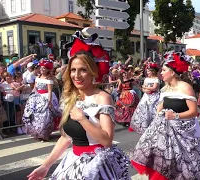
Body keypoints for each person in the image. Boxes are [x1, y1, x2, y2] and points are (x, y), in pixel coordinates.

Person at [27, 28, 129, 180]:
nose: (76, 75)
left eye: (83, 70)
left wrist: (82, 119)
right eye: (73, 70)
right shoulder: (71, 97)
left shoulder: (103, 98)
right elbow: (66, 137)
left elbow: (107, 140)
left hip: (97, 167)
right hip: (73, 163)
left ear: (93, 72)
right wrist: (46, 165)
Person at [131, 51, 200, 180]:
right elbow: (161, 105)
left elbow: (193, 111)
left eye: (164, 70)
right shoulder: (165, 89)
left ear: (173, 72)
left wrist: (175, 116)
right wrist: (158, 115)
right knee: (163, 158)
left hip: (183, 131)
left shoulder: (185, 87)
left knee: (184, 161)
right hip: (165, 130)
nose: (161, 73)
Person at [22, 59, 61, 141]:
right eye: (41, 68)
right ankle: (38, 133)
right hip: (37, 97)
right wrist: (31, 97)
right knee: (36, 116)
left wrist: (49, 102)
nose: (42, 70)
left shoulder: (49, 79)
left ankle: (45, 134)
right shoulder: (38, 77)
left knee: (45, 117)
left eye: (44, 68)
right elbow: (35, 88)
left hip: (46, 97)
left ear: (47, 70)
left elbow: (50, 91)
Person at [129, 62, 160, 134]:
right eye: (147, 71)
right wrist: (146, 89)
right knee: (144, 110)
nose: (147, 72)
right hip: (146, 96)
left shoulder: (156, 79)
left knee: (153, 111)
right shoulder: (146, 79)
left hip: (154, 97)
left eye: (149, 71)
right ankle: (145, 126)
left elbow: (155, 88)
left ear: (153, 71)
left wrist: (146, 87)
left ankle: (154, 126)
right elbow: (143, 89)